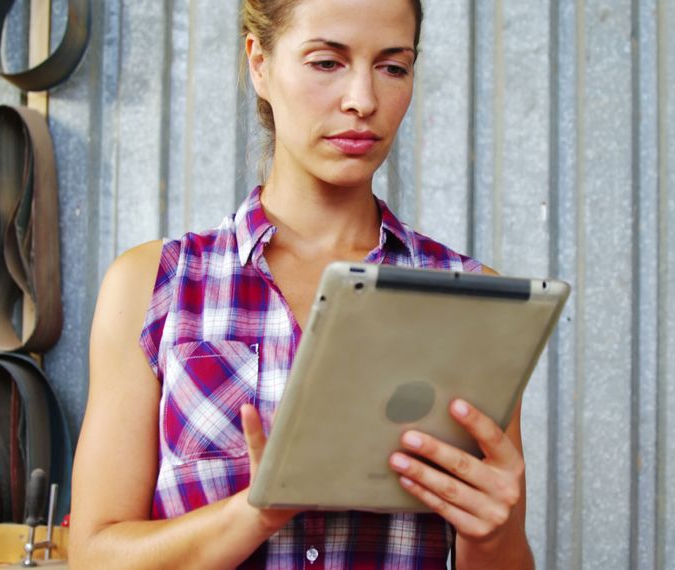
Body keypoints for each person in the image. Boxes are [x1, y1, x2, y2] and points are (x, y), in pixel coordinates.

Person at [69, 0, 534, 567]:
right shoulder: (154, 284)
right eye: (326, 62)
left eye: (393, 67)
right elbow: (95, 555)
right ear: (259, 63)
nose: (363, 99)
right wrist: (257, 510)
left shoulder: (470, 301)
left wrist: (494, 534)